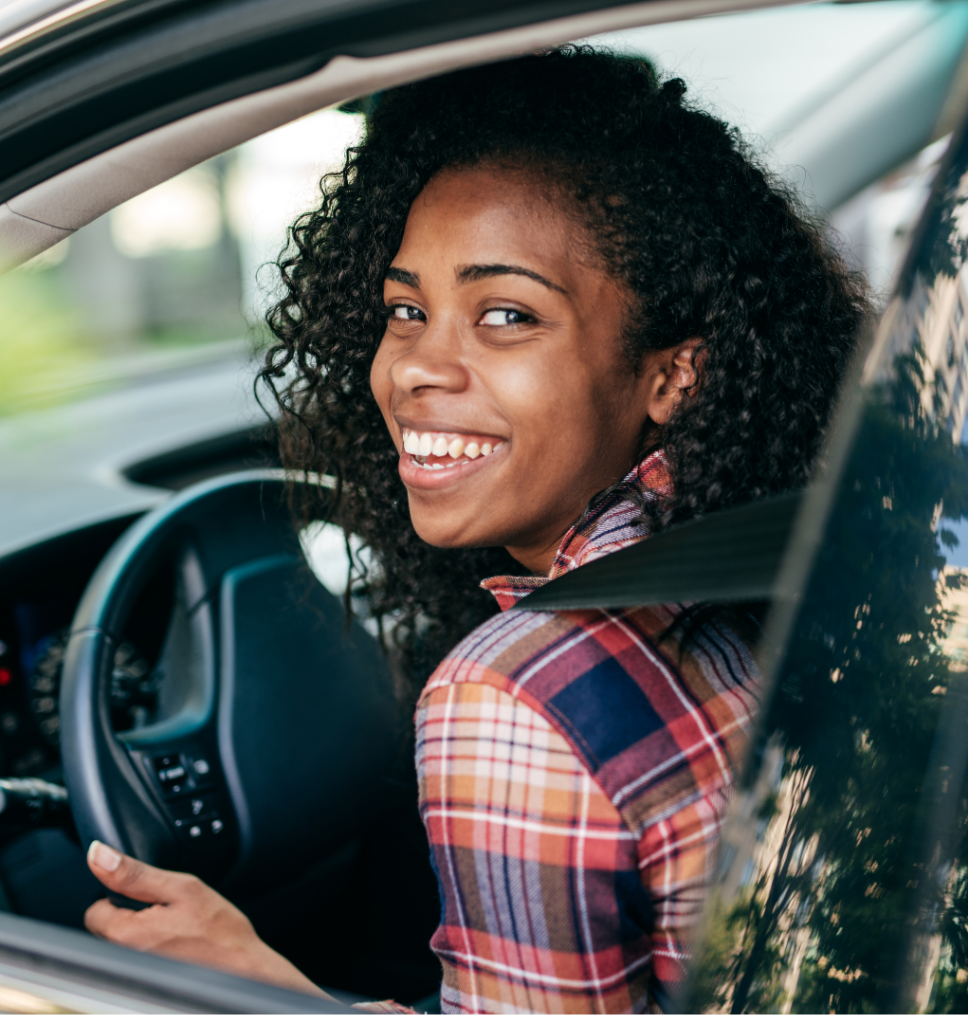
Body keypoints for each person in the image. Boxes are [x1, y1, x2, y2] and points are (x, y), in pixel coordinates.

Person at [82, 46, 869, 1012]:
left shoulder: (510, 700)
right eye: (407, 309)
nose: (415, 367)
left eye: (505, 314)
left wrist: (261, 991)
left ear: (672, 375)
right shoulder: (796, 556)